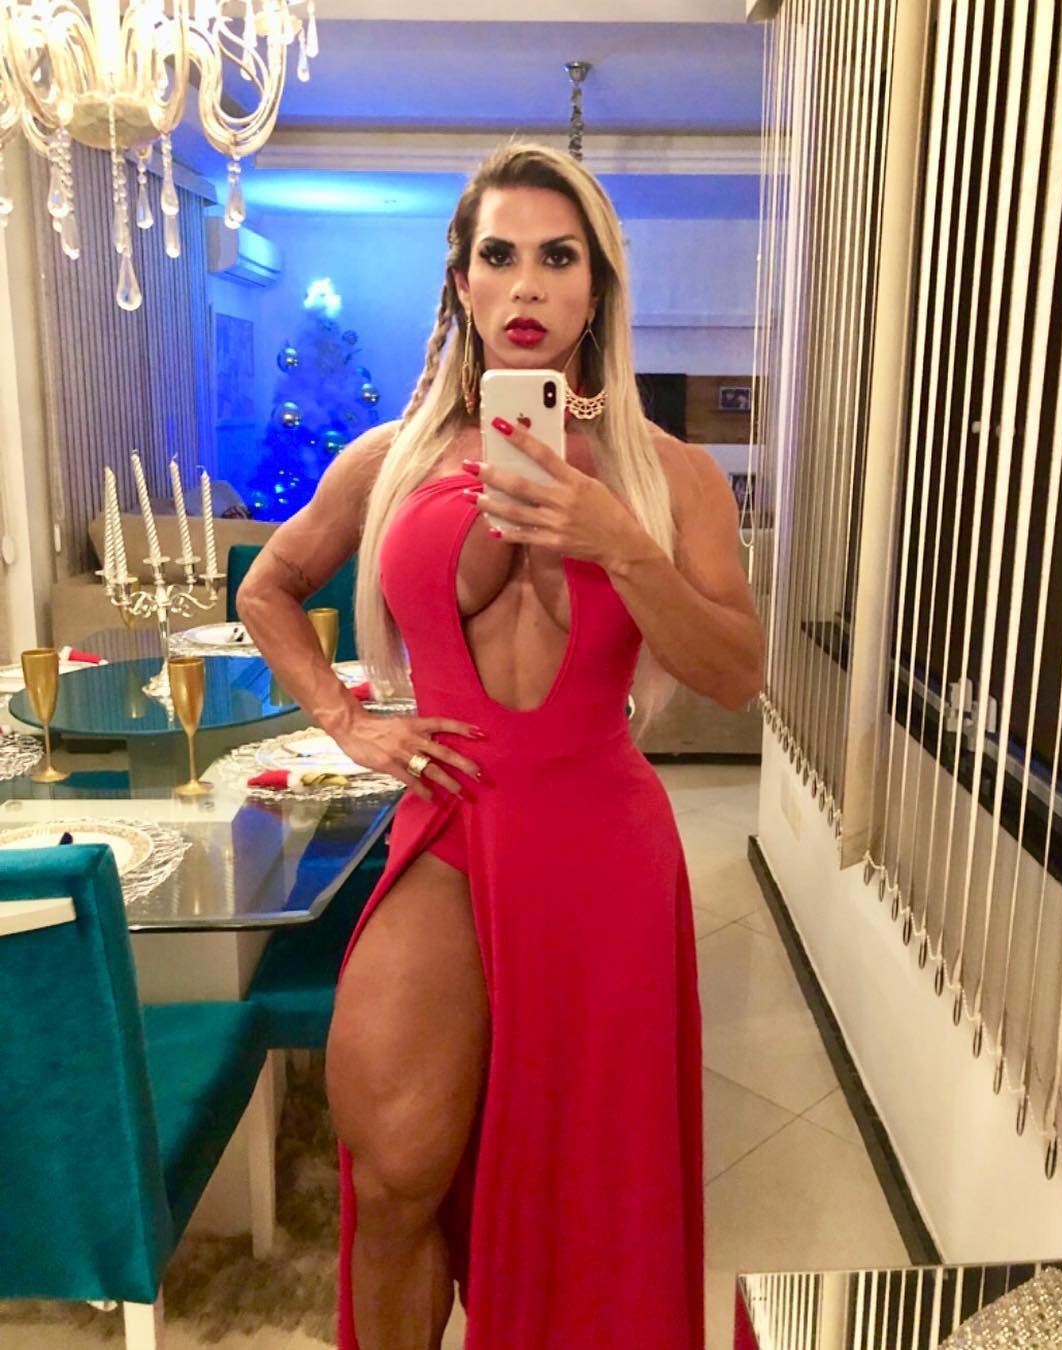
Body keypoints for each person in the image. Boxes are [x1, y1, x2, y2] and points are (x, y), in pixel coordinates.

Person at [238, 141, 764, 1350]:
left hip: (602, 848)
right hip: (451, 821)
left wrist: (617, 539)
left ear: (596, 291)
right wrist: (346, 719)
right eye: (500, 255)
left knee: (590, 1193)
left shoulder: (673, 477)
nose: (527, 285)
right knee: (395, 1168)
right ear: (462, 282)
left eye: (558, 258)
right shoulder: (392, 460)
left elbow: (736, 675)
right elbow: (269, 587)